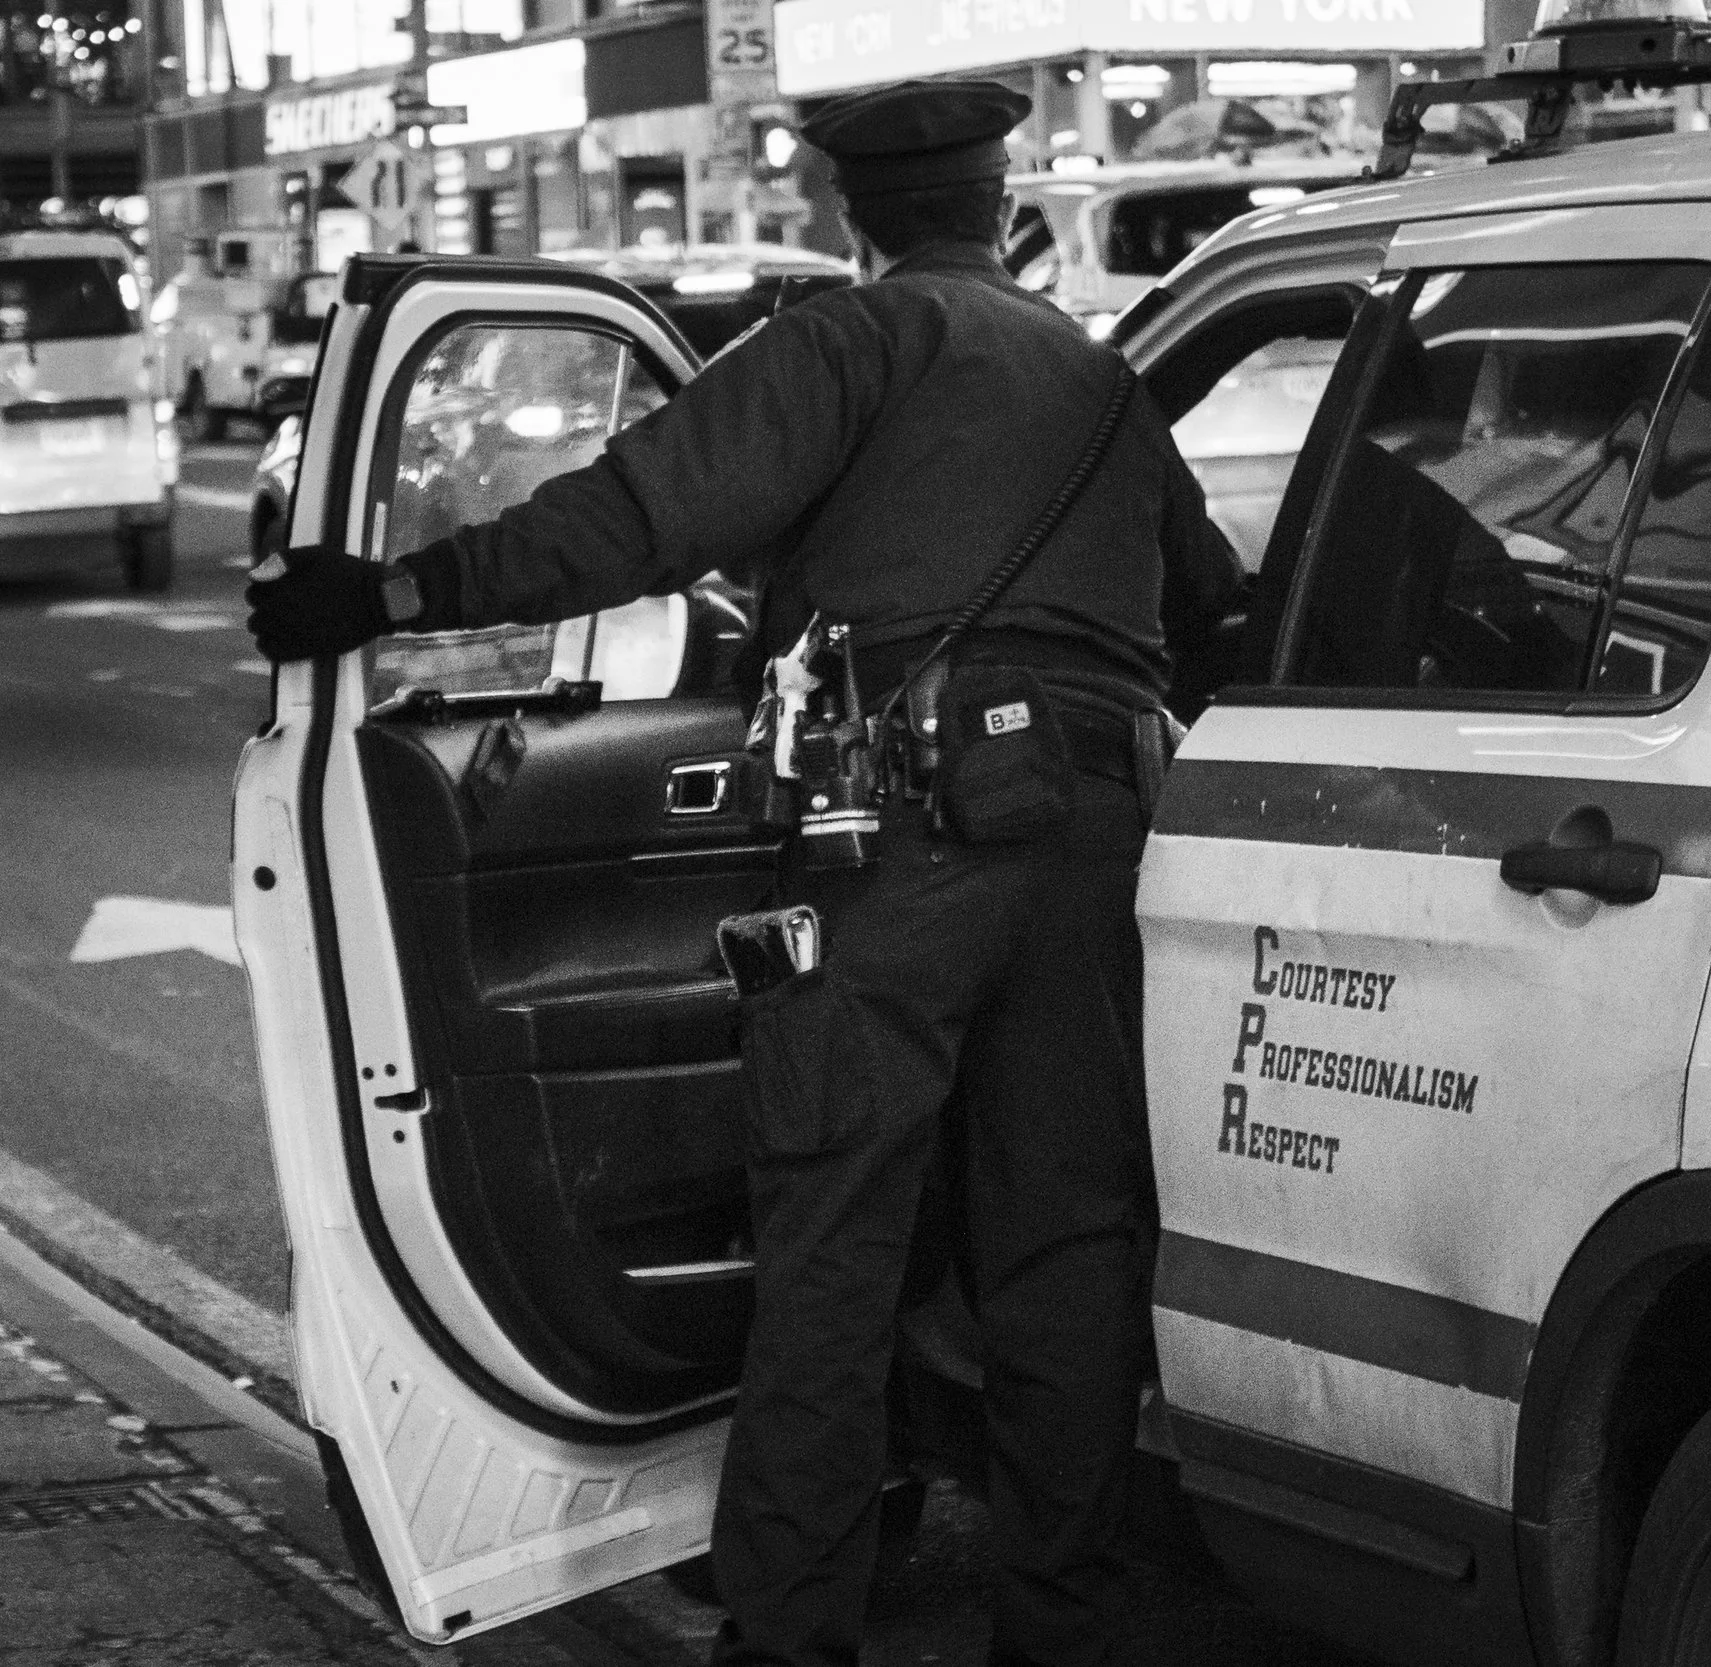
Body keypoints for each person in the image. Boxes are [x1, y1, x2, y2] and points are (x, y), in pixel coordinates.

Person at [246, 79, 1243, 1667]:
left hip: (904, 831)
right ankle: (1058, 1622)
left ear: (858, 220)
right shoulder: (1100, 381)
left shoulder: (851, 345)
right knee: (1066, 1247)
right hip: (1099, 833)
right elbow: (1216, 602)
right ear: (1006, 210)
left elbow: (637, 518)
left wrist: (395, 588)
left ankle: (792, 1636)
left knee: (837, 1237)